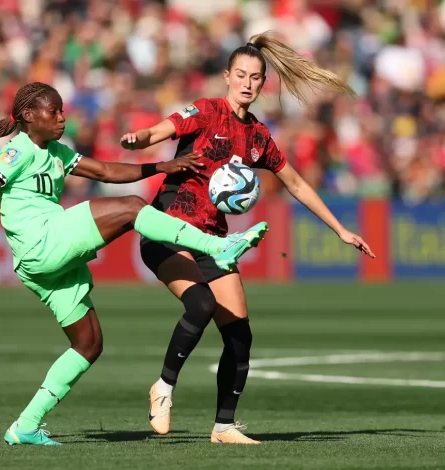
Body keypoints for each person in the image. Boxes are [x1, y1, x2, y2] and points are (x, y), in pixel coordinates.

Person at [0, 82, 268, 446]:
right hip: (44, 240)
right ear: (29, 117)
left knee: (88, 344)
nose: (62, 117)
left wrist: (161, 165)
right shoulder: (18, 151)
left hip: (41, 266)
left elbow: (107, 172)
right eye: (54, 111)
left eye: (63, 110)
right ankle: (218, 247)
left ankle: (26, 426)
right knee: (130, 207)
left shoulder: (56, 151)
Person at [120, 32, 376, 445]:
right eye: (241, 74)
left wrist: (341, 229)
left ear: (262, 84)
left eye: (256, 77)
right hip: (167, 228)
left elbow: (295, 183)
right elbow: (161, 129)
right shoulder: (206, 111)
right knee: (200, 303)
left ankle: (223, 427)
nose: (247, 83)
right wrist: (139, 137)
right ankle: (163, 388)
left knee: (239, 333)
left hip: (213, 240)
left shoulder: (257, 135)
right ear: (226, 76)